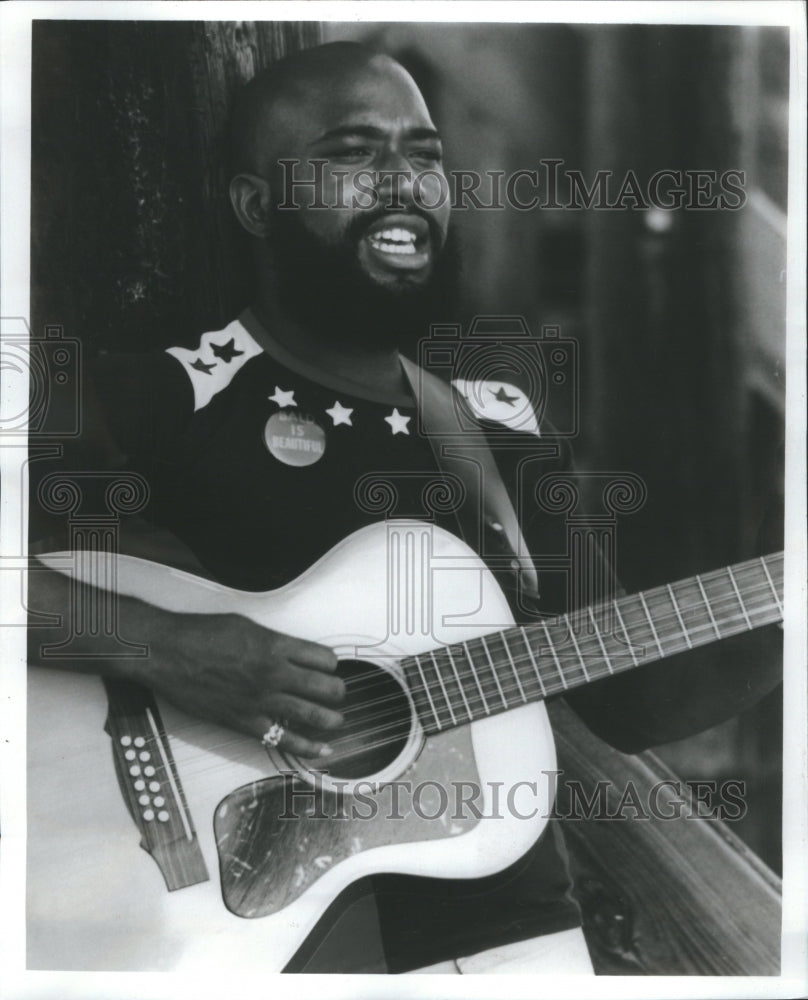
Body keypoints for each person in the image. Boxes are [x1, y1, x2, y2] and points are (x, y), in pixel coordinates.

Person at [28, 41, 782, 974]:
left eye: (424, 157)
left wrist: (781, 586)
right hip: (262, 949)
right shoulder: (167, 394)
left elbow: (630, 697)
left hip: (514, 937)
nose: (405, 184)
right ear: (259, 203)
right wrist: (169, 649)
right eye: (354, 154)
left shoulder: (496, 423)